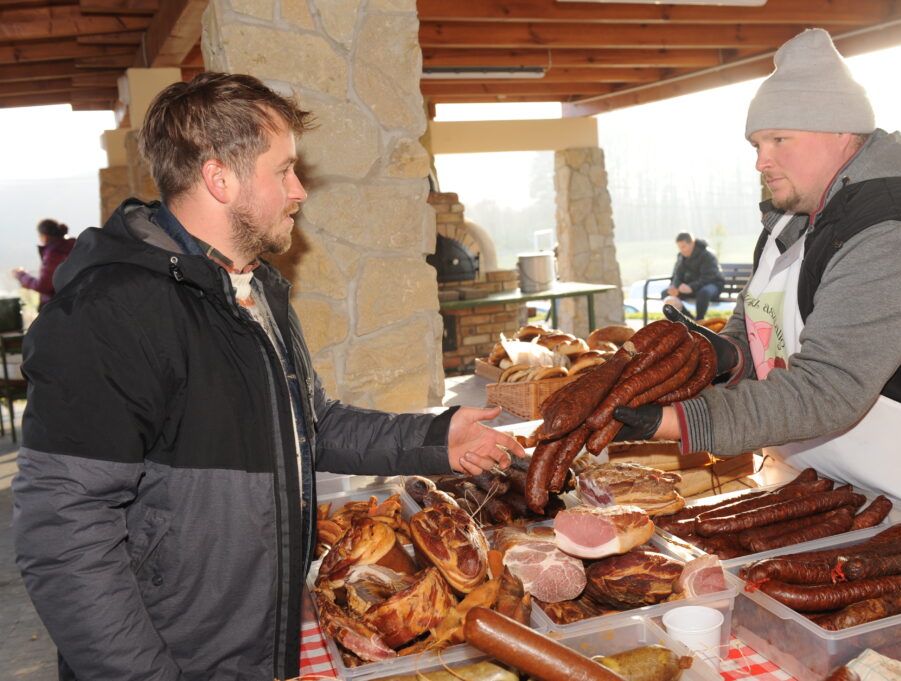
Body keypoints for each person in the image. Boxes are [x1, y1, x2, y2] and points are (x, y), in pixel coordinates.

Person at [12, 72, 525, 681]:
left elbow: (313, 424)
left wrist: (439, 439)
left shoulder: (255, 289)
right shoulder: (111, 312)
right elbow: (64, 540)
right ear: (219, 178)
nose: (299, 190)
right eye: (282, 170)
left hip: (257, 643)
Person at [615, 28, 901, 544]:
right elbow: (757, 328)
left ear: (843, 132)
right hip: (823, 490)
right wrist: (726, 356)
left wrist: (670, 421)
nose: (761, 160)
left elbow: (826, 390)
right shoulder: (792, 221)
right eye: (757, 143)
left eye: (780, 139)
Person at [11, 218, 76, 308]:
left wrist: (21, 275)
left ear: (44, 236)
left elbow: (44, 285)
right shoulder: (72, 247)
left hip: (57, 306)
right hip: (73, 303)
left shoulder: (54, 253)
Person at [661, 232, 726, 320]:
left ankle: (700, 320)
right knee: (666, 293)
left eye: (683, 246)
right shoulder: (681, 256)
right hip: (691, 287)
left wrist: (691, 287)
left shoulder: (707, 255)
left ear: (692, 243)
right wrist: (676, 286)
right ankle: (688, 318)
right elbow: (676, 276)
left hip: (712, 285)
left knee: (703, 293)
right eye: (679, 247)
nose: (681, 250)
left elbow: (708, 277)